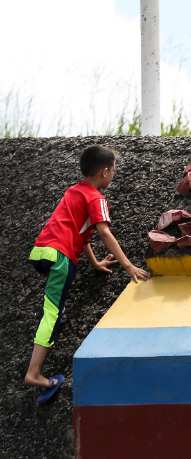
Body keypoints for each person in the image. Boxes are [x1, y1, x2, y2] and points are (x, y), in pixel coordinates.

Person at [24, 145, 150, 404]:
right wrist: (129, 266)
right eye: (113, 171)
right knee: (50, 313)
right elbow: (103, 232)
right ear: (105, 172)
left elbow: (81, 233)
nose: (113, 175)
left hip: (41, 253)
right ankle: (35, 374)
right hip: (60, 258)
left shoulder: (74, 191)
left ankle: (58, 314)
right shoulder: (96, 198)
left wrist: (94, 263)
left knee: (56, 305)